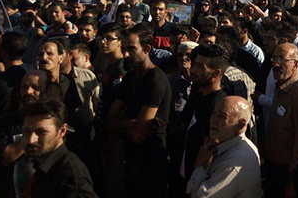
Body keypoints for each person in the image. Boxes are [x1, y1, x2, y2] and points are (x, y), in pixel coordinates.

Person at [108, 24, 172, 198]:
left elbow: (138, 133)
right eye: (124, 49)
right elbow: (110, 118)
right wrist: (129, 123)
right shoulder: (130, 77)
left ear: (146, 48)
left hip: (151, 161)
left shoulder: (156, 80)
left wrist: (123, 125)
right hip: (131, 160)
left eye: (131, 48)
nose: (126, 54)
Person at [20, 99, 98, 198]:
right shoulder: (43, 166)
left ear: (62, 131)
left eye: (41, 132)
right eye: (27, 131)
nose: (31, 140)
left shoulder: (70, 175)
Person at [187, 96, 261, 198]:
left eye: (222, 116)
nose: (213, 120)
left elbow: (204, 196)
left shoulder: (235, 160)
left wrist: (199, 167)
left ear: (240, 124)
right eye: (214, 113)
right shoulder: (227, 147)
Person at [264, 43, 298, 198]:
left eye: (281, 59)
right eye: (274, 58)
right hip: (272, 167)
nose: (276, 63)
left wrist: (292, 179)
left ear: (296, 64)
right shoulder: (280, 86)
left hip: (286, 173)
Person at [181, 44, 228, 180]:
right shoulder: (198, 95)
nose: (193, 70)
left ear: (216, 73)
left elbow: (210, 149)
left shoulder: (218, 105)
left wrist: (197, 181)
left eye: (201, 67)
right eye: (195, 64)